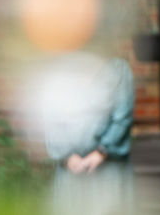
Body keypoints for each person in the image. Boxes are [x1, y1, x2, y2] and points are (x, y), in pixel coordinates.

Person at [41, 54, 135, 215]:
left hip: (108, 166)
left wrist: (101, 151)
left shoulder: (118, 69)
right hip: (70, 168)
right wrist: (67, 155)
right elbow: (50, 118)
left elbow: (123, 116)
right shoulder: (58, 70)